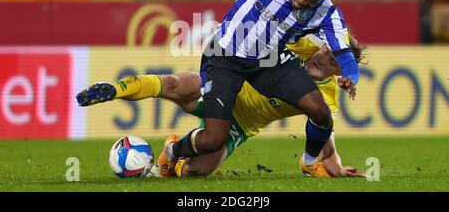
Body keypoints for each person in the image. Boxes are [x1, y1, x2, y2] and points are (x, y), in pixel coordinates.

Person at [153, 0, 360, 177]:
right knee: (212, 139)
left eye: (312, 0)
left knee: (321, 112)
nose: (303, 1)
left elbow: (344, 53)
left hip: (267, 64)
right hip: (228, 57)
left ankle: (309, 161)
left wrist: (351, 76)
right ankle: (173, 151)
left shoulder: (328, 13)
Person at [76, 34, 367, 178]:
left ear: (340, 71)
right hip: (227, 88)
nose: (321, 59)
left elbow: (324, 130)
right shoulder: (298, 43)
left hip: (241, 125)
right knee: (177, 84)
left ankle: (172, 151)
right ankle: (115, 88)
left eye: (332, 61)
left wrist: (335, 165)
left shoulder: (326, 96)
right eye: (325, 51)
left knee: (194, 172)